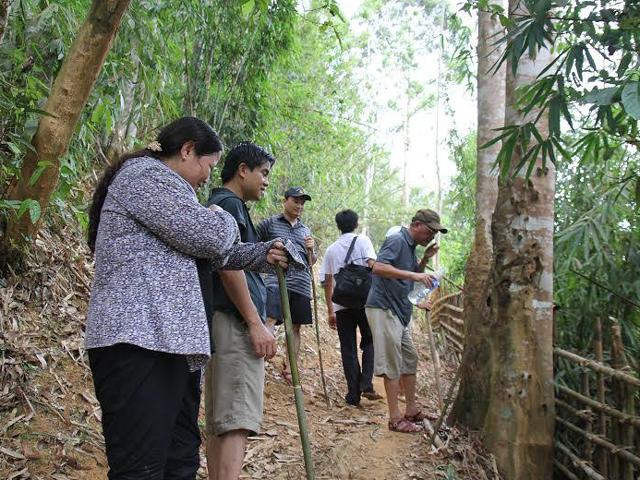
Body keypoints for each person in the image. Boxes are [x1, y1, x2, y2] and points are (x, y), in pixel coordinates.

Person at [85, 117, 289, 480]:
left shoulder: (171, 193)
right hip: (138, 343)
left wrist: (265, 253)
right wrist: (218, 216)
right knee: (142, 466)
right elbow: (211, 237)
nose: (206, 179)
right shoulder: (145, 178)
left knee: (178, 463)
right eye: (207, 167)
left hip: (170, 345)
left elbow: (218, 252)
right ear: (187, 150)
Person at [199, 142, 277, 480]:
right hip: (233, 323)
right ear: (242, 169)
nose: (266, 181)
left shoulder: (228, 205)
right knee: (236, 419)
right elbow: (228, 264)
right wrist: (254, 323)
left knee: (222, 419)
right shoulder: (228, 205)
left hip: (223, 321)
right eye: (263, 173)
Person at [365, 209, 448, 433]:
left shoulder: (410, 247)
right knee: (392, 363)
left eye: (434, 233)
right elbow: (378, 267)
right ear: (417, 225)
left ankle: (411, 409)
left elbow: (410, 276)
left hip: (398, 312)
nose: (431, 236)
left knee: (409, 357)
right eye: (430, 231)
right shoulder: (397, 240)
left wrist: (423, 262)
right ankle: (394, 418)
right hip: (384, 307)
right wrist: (415, 275)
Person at [320, 209, 382, 406]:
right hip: (366, 302)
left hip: (342, 305)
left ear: (338, 226)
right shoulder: (363, 241)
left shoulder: (331, 249)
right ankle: (366, 383)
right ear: (356, 224)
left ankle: (353, 395)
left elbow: (327, 282)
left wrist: (330, 310)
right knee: (370, 341)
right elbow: (373, 265)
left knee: (348, 348)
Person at [257, 187, 316, 384]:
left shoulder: (305, 230)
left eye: (302, 202)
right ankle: (259, 361)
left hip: (300, 284)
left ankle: (290, 369)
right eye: (296, 201)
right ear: (285, 200)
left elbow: (311, 261)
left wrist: (311, 250)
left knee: (295, 327)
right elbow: (254, 245)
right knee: (270, 318)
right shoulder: (269, 224)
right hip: (275, 280)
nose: (299, 205)